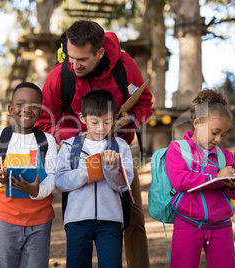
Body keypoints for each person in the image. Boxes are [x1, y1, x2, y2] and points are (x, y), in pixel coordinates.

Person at [35, 20, 151, 267]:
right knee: (79, 224)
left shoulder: (125, 66)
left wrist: (126, 120)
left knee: (134, 218)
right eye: (70, 57)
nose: (74, 65)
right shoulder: (59, 76)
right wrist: (83, 134)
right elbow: (45, 123)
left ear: (100, 52)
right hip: (77, 151)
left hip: (118, 149)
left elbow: (145, 105)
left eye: (82, 60)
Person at [165, 88, 235, 268]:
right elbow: (180, 181)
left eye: (222, 135)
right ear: (197, 123)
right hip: (187, 223)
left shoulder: (226, 157)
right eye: (215, 132)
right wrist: (215, 177)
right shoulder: (177, 149)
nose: (218, 139)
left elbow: (232, 195)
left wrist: (234, 186)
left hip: (221, 226)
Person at [55, 90, 134, 267]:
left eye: (107, 122)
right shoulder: (69, 146)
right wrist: (87, 170)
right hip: (77, 220)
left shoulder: (120, 146)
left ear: (114, 119)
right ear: (82, 118)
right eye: (94, 122)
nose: (101, 128)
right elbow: (61, 182)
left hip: (110, 220)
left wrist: (112, 169)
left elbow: (124, 185)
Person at [0, 82, 57, 268]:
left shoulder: (47, 141)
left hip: (39, 221)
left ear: (41, 112)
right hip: (5, 219)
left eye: (34, 106)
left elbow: (52, 177)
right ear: (10, 109)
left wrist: (36, 190)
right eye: (20, 104)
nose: (27, 109)